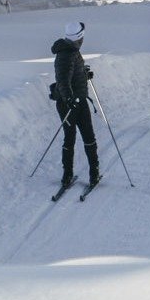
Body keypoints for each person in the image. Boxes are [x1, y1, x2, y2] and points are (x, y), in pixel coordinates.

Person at [50, 19, 100, 188]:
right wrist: (70, 100)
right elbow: (63, 81)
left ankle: (87, 174)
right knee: (81, 137)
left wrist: (84, 74)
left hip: (75, 100)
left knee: (77, 138)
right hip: (72, 103)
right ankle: (73, 175)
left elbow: (72, 74)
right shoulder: (67, 54)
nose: (84, 40)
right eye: (82, 37)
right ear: (79, 37)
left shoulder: (71, 50)